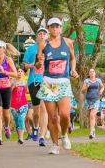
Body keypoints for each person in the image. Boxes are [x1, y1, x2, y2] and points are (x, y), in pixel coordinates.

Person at [35, 17, 78, 154]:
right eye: (52, 26)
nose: (55, 29)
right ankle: (54, 144)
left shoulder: (68, 43)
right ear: (48, 28)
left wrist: (73, 69)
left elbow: (72, 58)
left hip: (64, 83)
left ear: (61, 28)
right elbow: (37, 64)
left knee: (65, 115)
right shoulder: (43, 44)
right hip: (48, 83)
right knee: (52, 116)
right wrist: (39, 63)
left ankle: (64, 134)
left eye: (57, 26)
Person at [22, 28, 49, 146]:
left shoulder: (51, 49)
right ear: (37, 37)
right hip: (33, 82)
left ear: (47, 36)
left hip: (47, 81)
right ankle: (36, 127)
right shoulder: (31, 49)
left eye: (44, 34)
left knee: (43, 108)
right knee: (36, 111)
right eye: (40, 34)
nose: (42, 36)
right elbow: (23, 66)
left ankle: (42, 136)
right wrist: (34, 65)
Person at [81, 68, 104, 139]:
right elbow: (82, 91)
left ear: (95, 73)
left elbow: (102, 87)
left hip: (96, 100)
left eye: (93, 71)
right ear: (89, 73)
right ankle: (93, 129)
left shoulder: (98, 80)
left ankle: (91, 132)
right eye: (90, 72)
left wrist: (101, 91)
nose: (91, 73)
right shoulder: (86, 81)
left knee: (92, 115)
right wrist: (87, 86)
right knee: (89, 116)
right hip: (88, 100)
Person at [10, 68, 29, 145]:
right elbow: (8, 92)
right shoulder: (12, 81)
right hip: (14, 104)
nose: (20, 73)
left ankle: (21, 137)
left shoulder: (25, 82)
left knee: (21, 118)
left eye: (21, 71)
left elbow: (27, 91)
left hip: (23, 103)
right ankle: (19, 137)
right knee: (17, 121)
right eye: (18, 71)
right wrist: (13, 87)